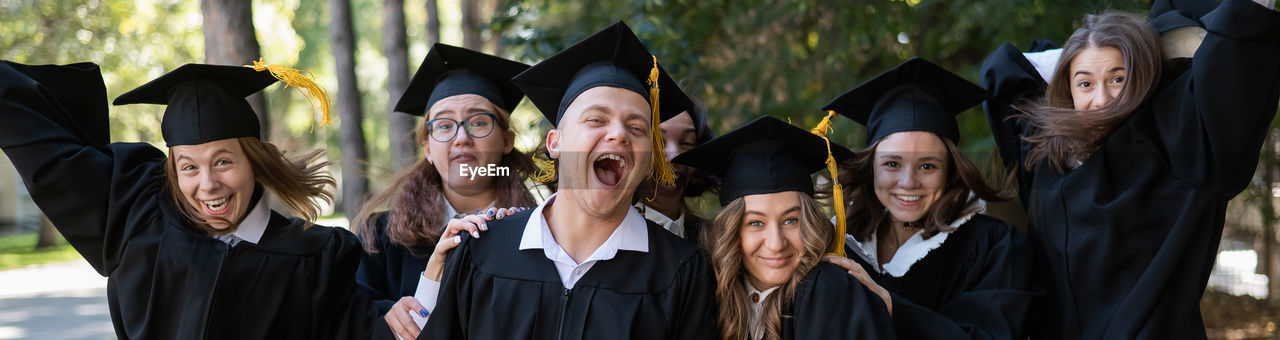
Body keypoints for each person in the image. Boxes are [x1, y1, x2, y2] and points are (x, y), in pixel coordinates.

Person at [0, 60, 377, 339]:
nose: (208, 184)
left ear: (254, 161)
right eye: (189, 167)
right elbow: (46, 154)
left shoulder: (315, 258)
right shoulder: (135, 212)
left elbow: (368, 324)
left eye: (224, 161)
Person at [980, 0, 1280, 337]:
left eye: (1118, 79)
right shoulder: (1046, 159)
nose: (1102, 99)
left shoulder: (1176, 155)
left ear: (1142, 81)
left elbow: (1233, 67)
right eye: (1085, 83)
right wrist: (1089, 41)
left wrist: (1157, 51)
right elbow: (1005, 74)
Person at [418, 21, 717, 339]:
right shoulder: (480, 254)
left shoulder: (681, 272)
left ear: (648, 163)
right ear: (555, 143)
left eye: (637, 128)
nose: (618, 134)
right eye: (596, 119)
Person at [817, 57, 1036, 339]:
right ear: (870, 168)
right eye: (892, 164)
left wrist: (891, 306)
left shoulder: (996, 248)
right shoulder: (838, 244)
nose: (908, 182)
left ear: (951, 171)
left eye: (928, 166)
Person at [351, 43, 537, 340]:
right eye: (444, 125)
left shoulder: (541, 233)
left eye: (478, 122)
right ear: (427, 146)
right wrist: (386, 315)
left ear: (506, 140)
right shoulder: (380, 237)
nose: (461, 138)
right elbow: (352, 316)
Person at [673, 115, 894, 340]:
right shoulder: (707, 295)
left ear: (810, 222)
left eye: (791, 220)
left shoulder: (827, 289)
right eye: (755, 223)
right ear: (731, 232)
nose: (776, 244)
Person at [633, 96, 717, 245]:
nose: (674, 155)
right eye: (658, 141)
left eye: (687, 143)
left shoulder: (712, 242)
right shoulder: (607, 236)